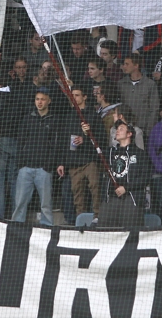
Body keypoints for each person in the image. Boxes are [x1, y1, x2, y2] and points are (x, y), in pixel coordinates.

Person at [57, 86, 106, 225]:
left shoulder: (94, 115)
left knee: (95, 187)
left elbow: (102, 139)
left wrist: (86, 139)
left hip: (90, 160)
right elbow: (63, 141)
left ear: (84, 97)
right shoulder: (68, 115)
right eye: (72, 95)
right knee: (77, 192)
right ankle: (81, 219)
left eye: (77, 95)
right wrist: (61, 162)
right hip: (73, 161)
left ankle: (97, 216)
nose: (74, 98)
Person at [12, 88, 60, 226]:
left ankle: (48, 229)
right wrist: (21, 164)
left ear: (49, 101)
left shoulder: (54, 120)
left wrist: (48, 165)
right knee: (20, 202)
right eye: (37, 99)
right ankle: (16, 228)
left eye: (43, 99)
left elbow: (56, 145)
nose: (39, 102)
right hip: (25, 168)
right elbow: (20, 142)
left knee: (46, 204)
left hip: (44, 170)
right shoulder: (28, 118)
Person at [98, 119, 152, 228]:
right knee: (106, 231)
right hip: (111, 199)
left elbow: (146, 177)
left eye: (121, 129)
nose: (117, 131)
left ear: (129, 134)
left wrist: (126, 188)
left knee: (129, 231)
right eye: (116, 129)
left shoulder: (140, 154)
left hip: (131, 199)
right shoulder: (109, 152)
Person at [0, 67, 21, 220]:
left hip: (0, 142)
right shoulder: (16, 96)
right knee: (14, 180)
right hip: (16, 141)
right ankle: (16, 215)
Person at [118, 53, 160, 135]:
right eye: (124, 64)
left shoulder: (150, 84)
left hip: (142, 129)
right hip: (124, 129)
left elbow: (154, 109)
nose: (124, 66)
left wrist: (149, 130)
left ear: (136, 65)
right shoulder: (121, 84)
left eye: (127, 64)